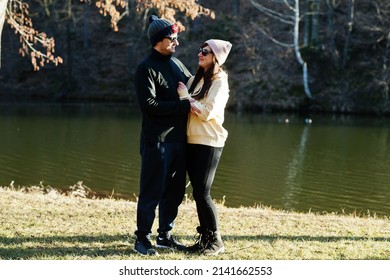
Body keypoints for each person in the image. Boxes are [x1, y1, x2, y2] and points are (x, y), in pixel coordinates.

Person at [134, 15, 192, 256]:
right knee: (151, 191)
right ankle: (142, 239)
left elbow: (193, 86)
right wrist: (182, 106)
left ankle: (164, 236)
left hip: (179, 140)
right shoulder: (146, 68)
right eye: (172, 38)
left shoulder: (177, 64)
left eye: (177, 37)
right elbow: (149, 105)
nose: (176, 42)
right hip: (157, 141)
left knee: (175, 191)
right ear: (158, 40)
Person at [177, 39, 232, 256]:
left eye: (206, 52)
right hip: (192, 140)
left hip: (209, 142)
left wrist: (185, 97)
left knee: (203, 192)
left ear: (216, 57)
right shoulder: (197, 79)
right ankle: (205, 238)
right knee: (198, 193)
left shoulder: (220, 82)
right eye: (200, 50)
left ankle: (216, 240)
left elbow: (207, 112)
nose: (200, 54)